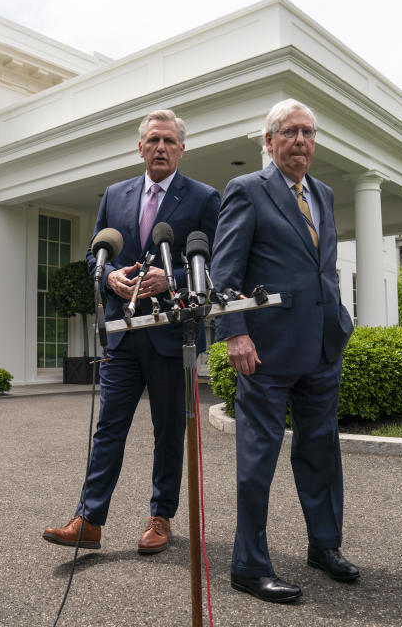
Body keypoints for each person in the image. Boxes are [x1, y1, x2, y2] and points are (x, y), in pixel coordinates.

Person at [42, 110, 220, 555]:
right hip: (122, 333)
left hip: (170, 335)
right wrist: (108, 278)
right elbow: (93, 255)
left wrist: (172, 276)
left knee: (167, 429)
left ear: (182, 149)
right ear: (140, 148)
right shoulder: (115, 195)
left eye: (169, 141)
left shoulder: (202, 197)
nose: (161, 148)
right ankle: (89, 520)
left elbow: (216, 258)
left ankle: (161, 516)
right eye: (153, 140)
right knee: (109, 428)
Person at [210, 99, 357, 603]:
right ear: (269, 141)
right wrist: (234, 332)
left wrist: (339, 321)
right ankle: (249, 565)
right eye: (290, 132)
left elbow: (324, 267)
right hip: (265, 352)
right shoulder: (247, 190)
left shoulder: (325, 194)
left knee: (321, 454)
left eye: (309, 133)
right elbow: (224, 274)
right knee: (258, 460)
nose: (301, 141)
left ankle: (324, 546)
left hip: (322, 348)